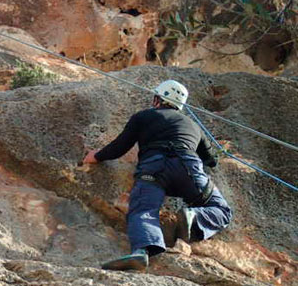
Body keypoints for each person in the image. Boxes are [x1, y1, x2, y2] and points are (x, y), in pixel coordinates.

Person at [83, 80, 232, 271]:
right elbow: (211, 160)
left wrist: (95, 156)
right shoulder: (193, 125)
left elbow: (119, 147)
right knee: (222, 210)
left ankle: (141, 252)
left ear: (157, 100)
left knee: (142, 210)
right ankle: (194, 216)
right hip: (188, 167)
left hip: (153, 168)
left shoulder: (143, 117)